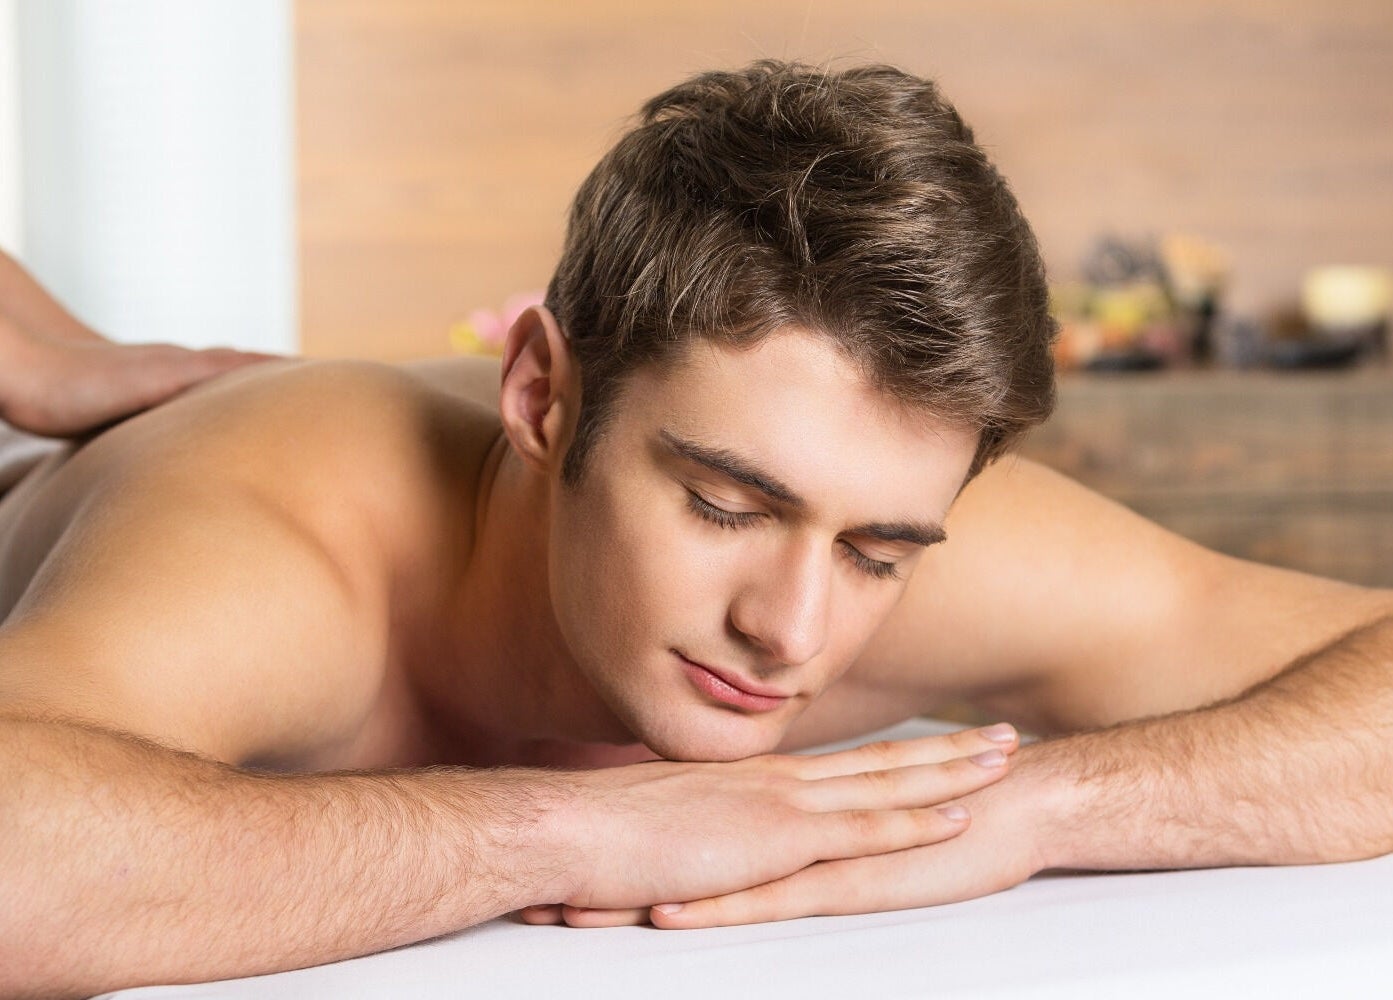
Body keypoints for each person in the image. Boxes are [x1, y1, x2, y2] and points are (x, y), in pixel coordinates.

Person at [2, 60, 1390, 998]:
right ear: (544, 394)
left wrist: (1041, 812)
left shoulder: (882, 504)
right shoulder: (282, 539)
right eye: (726, 504)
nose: (792, 631)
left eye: (877, 556)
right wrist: (564, 831)